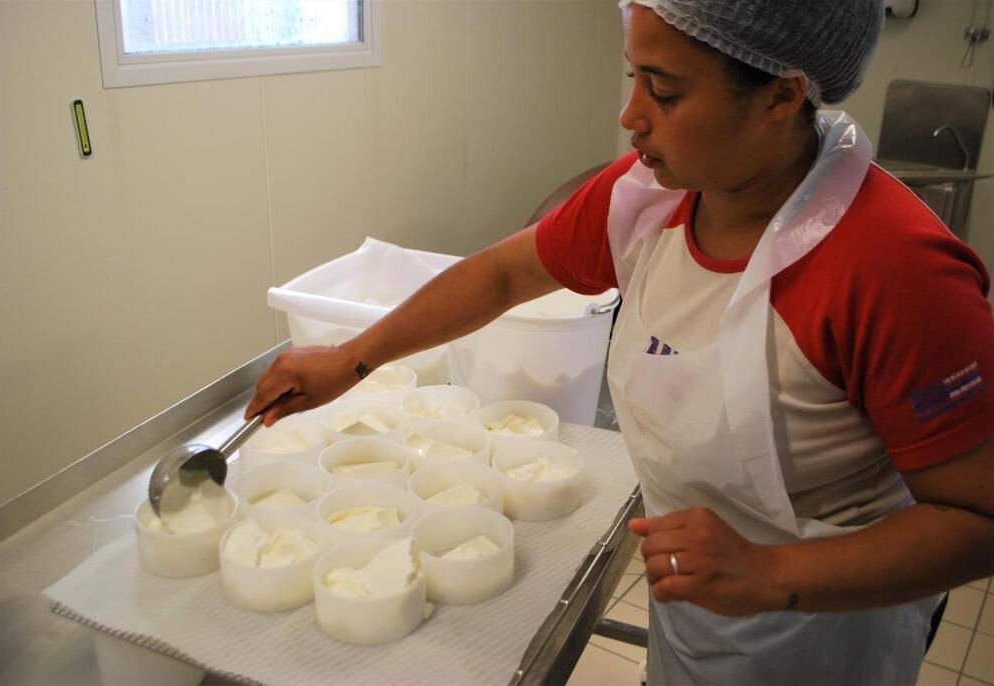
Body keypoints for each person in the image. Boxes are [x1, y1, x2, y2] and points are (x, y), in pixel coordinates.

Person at [247, 0, 994, 683]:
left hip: (826, 640)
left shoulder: (893, 269)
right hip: (694, 617)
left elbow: (977, 521)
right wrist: (352, 357)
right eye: (633, 76)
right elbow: (505, 276)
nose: (630, 115)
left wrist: (769, 573)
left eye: (665, 92)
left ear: (782, 94)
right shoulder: (646, 199)